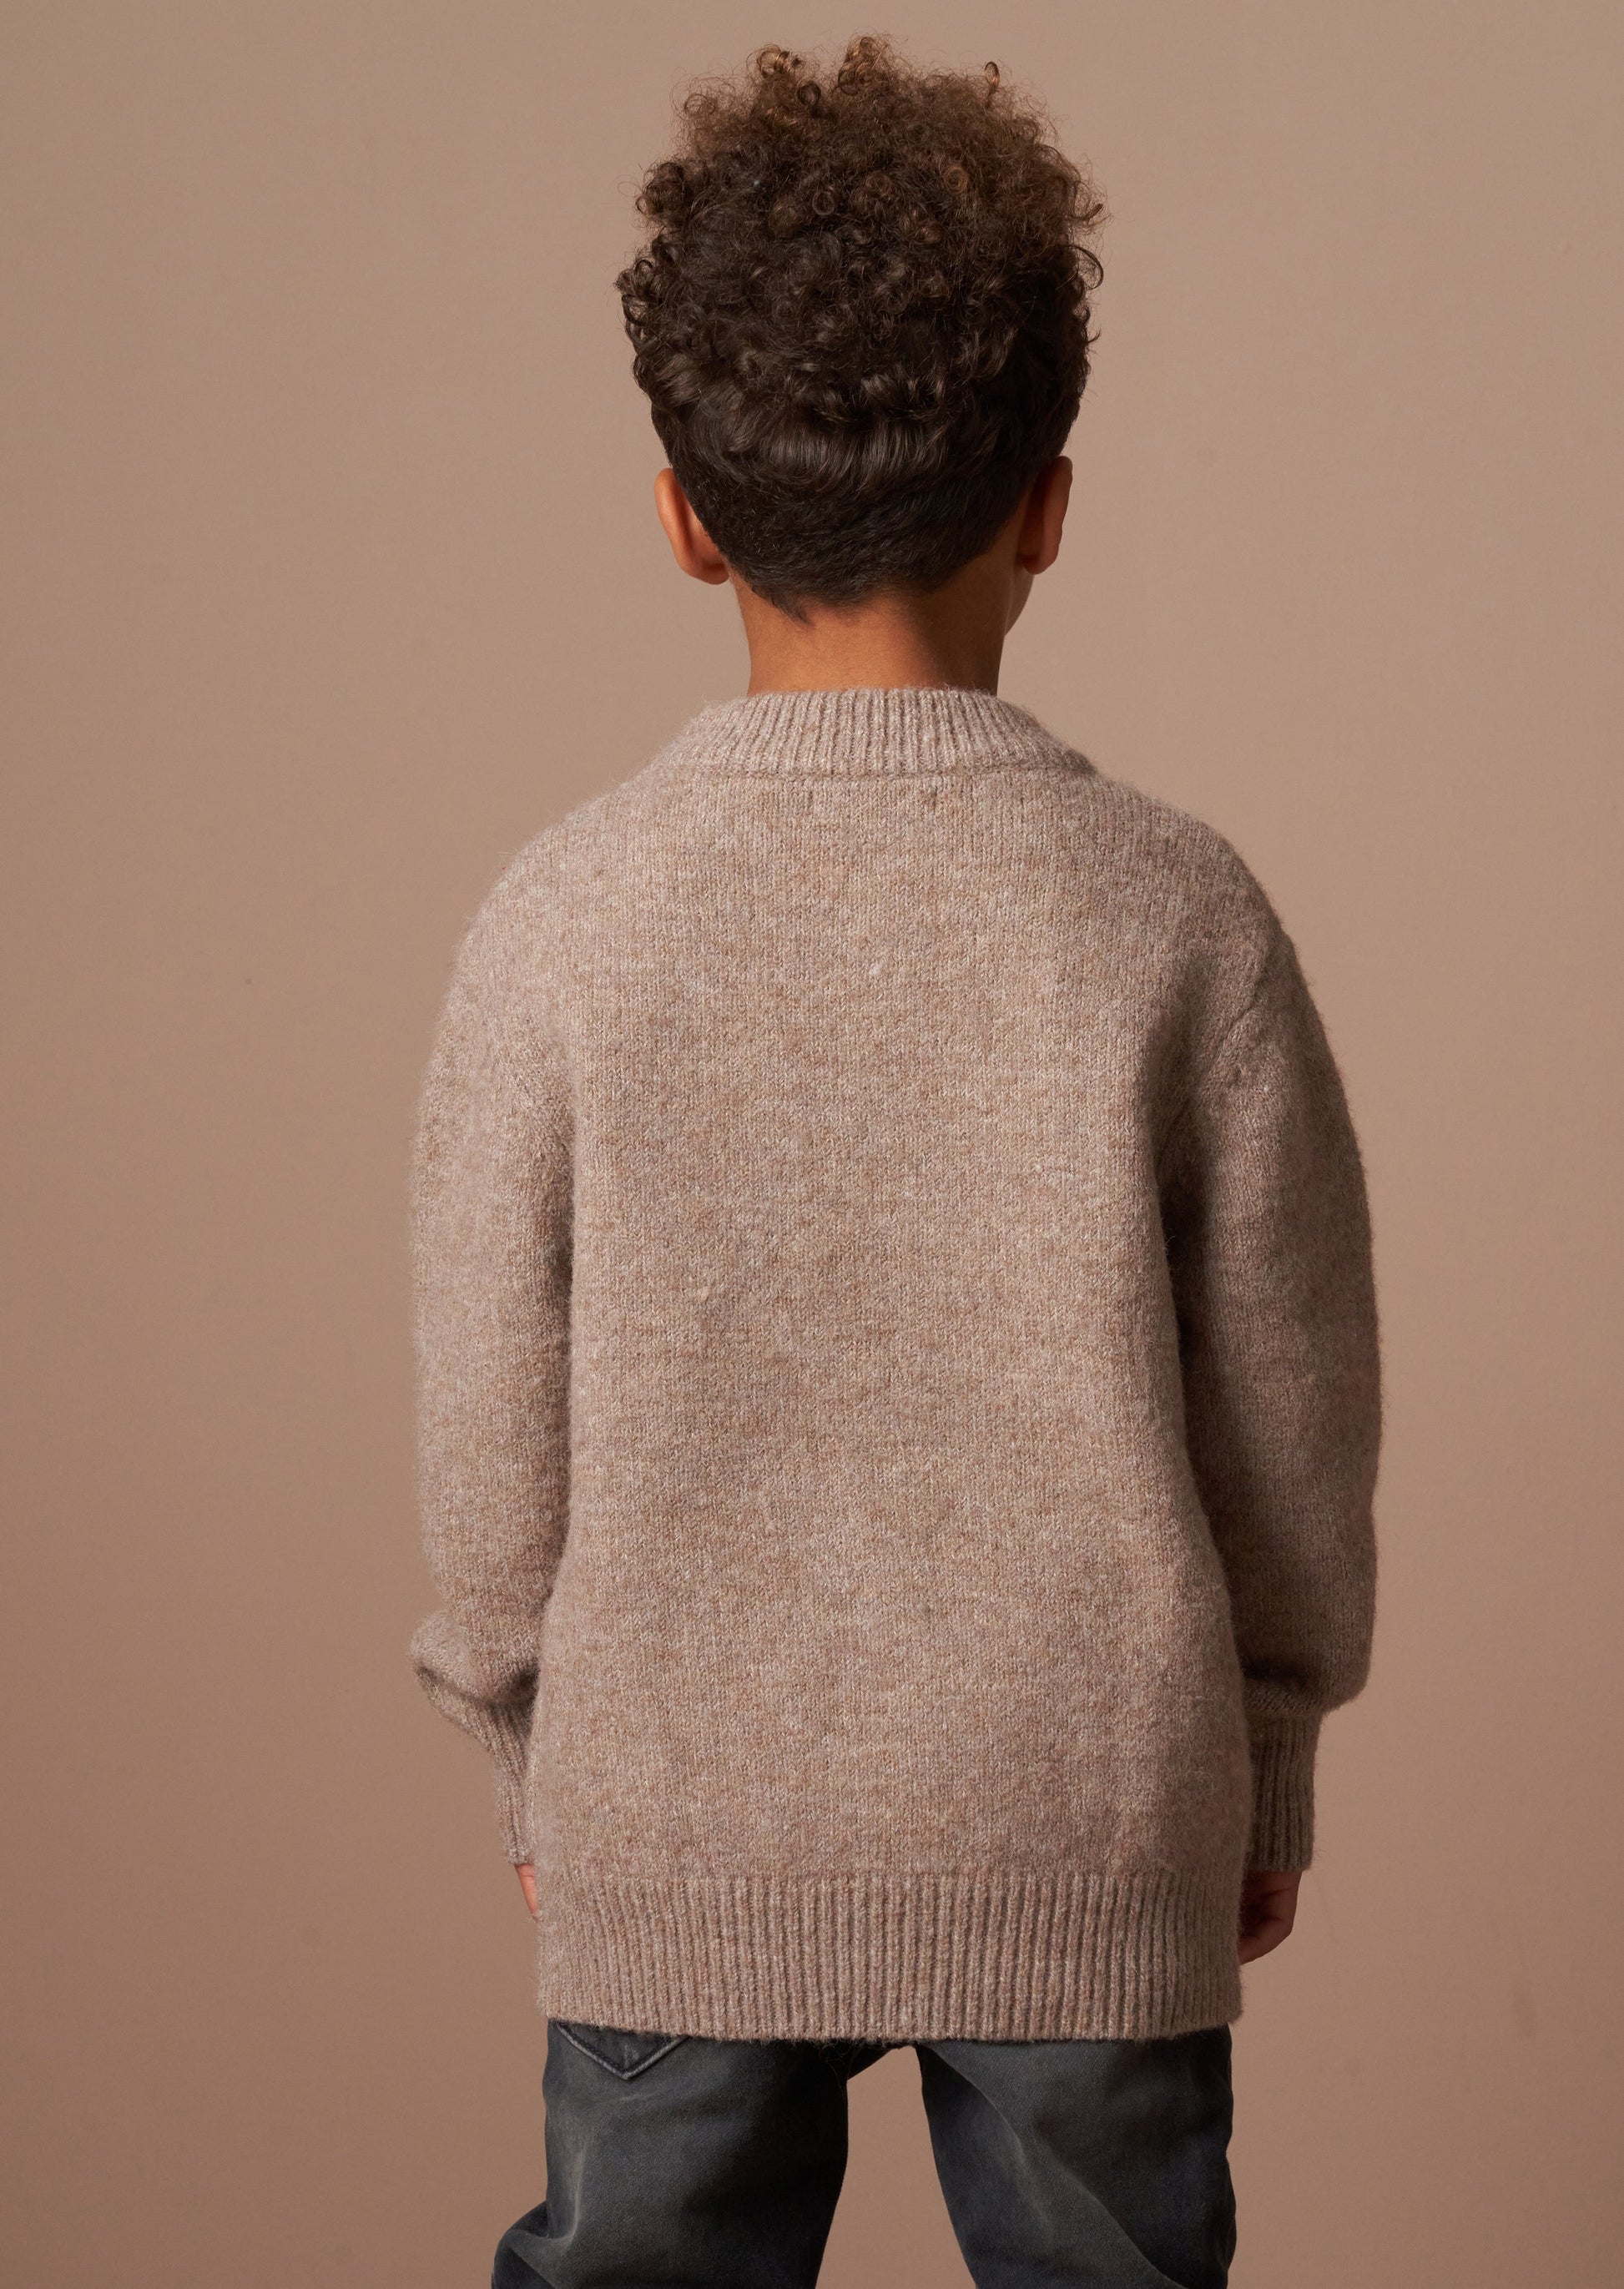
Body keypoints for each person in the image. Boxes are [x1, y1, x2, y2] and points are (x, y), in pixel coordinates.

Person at [406, 36, 1382, 2289]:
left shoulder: (562, 917)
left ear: (681, 512)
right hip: (1092, 1809)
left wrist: (531, 1755)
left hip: (675, 1813)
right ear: (1048, 501)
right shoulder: (1178, 913)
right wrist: (1265, 1754)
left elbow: (486, 1416)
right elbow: (1290, 1405)